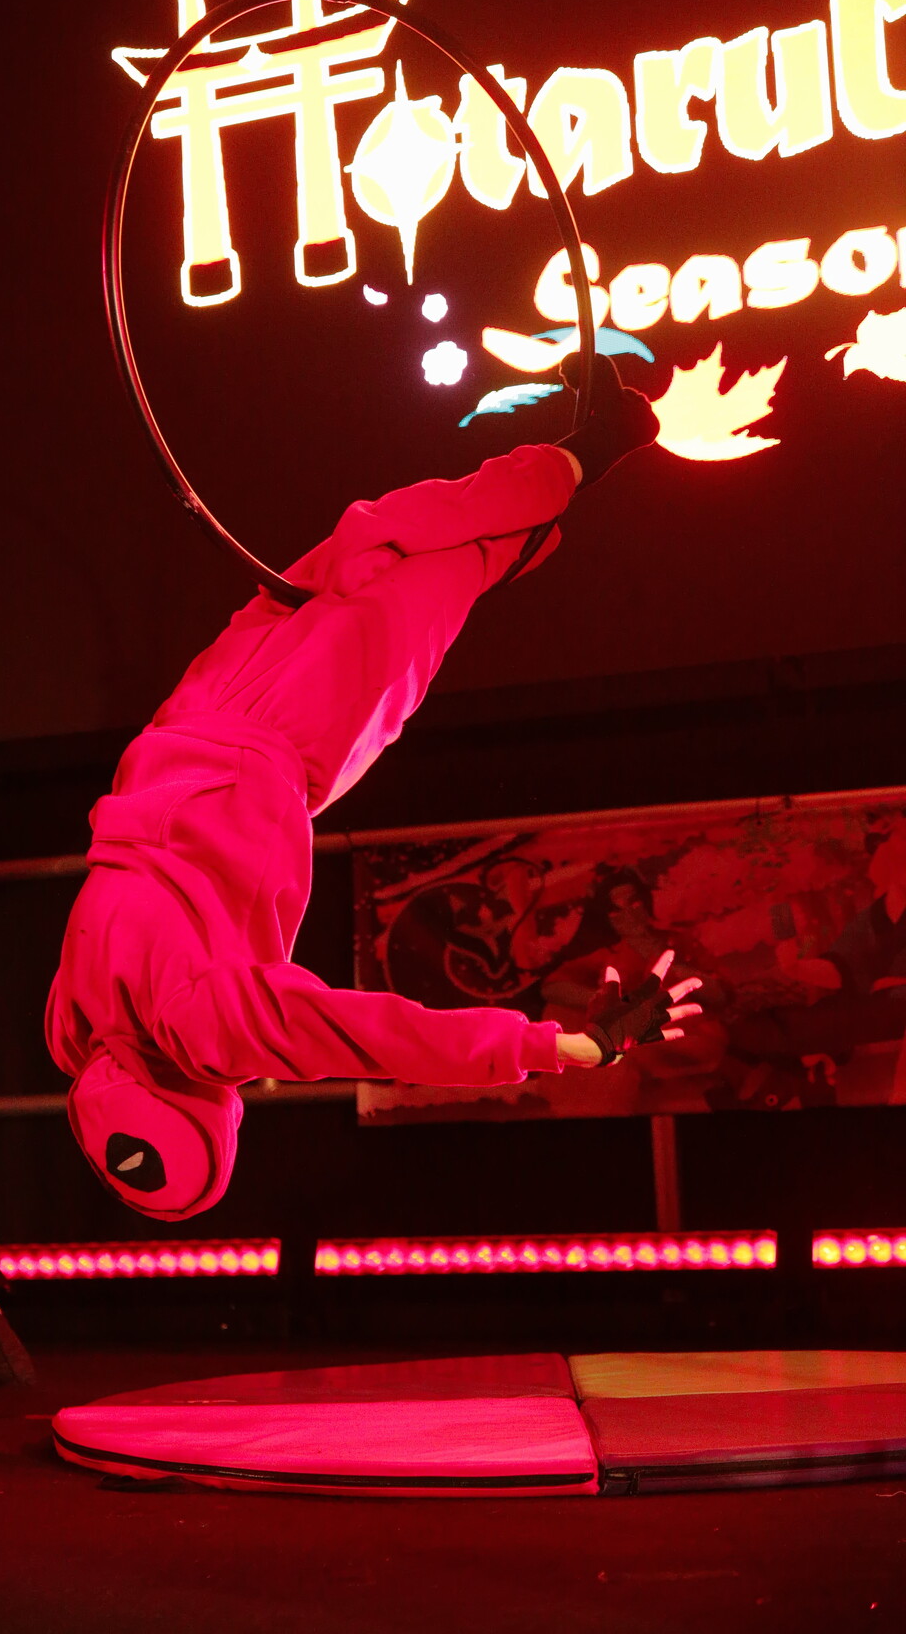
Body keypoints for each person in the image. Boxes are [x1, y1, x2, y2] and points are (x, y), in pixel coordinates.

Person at [45, 362, 702, 1218]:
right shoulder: (75, 1023)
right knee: (385, 540)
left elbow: (373, 1035)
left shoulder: (203, 1035)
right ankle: (588, 447)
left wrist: (553, 1047)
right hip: (197, 723)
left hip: (288, 733)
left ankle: (590, 449)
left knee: (434, 562)